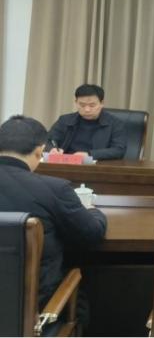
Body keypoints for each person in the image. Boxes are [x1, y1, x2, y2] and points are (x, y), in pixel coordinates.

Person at [0, 115, 107, 323]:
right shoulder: (54, 188)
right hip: (34, 310)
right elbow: (92, 234)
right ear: (39, 151)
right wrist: (92, 211)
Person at [47, 84, 127, 160]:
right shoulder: (65, 120)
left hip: (98, 166)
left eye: (92, 105)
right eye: (82, 105)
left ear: (102, 103)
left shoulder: (115, 123)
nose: (87, 109)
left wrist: (90, 154)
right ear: (76, 102)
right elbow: (48, 141)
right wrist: (52, 149)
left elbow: (119, 150)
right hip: (66, 164)